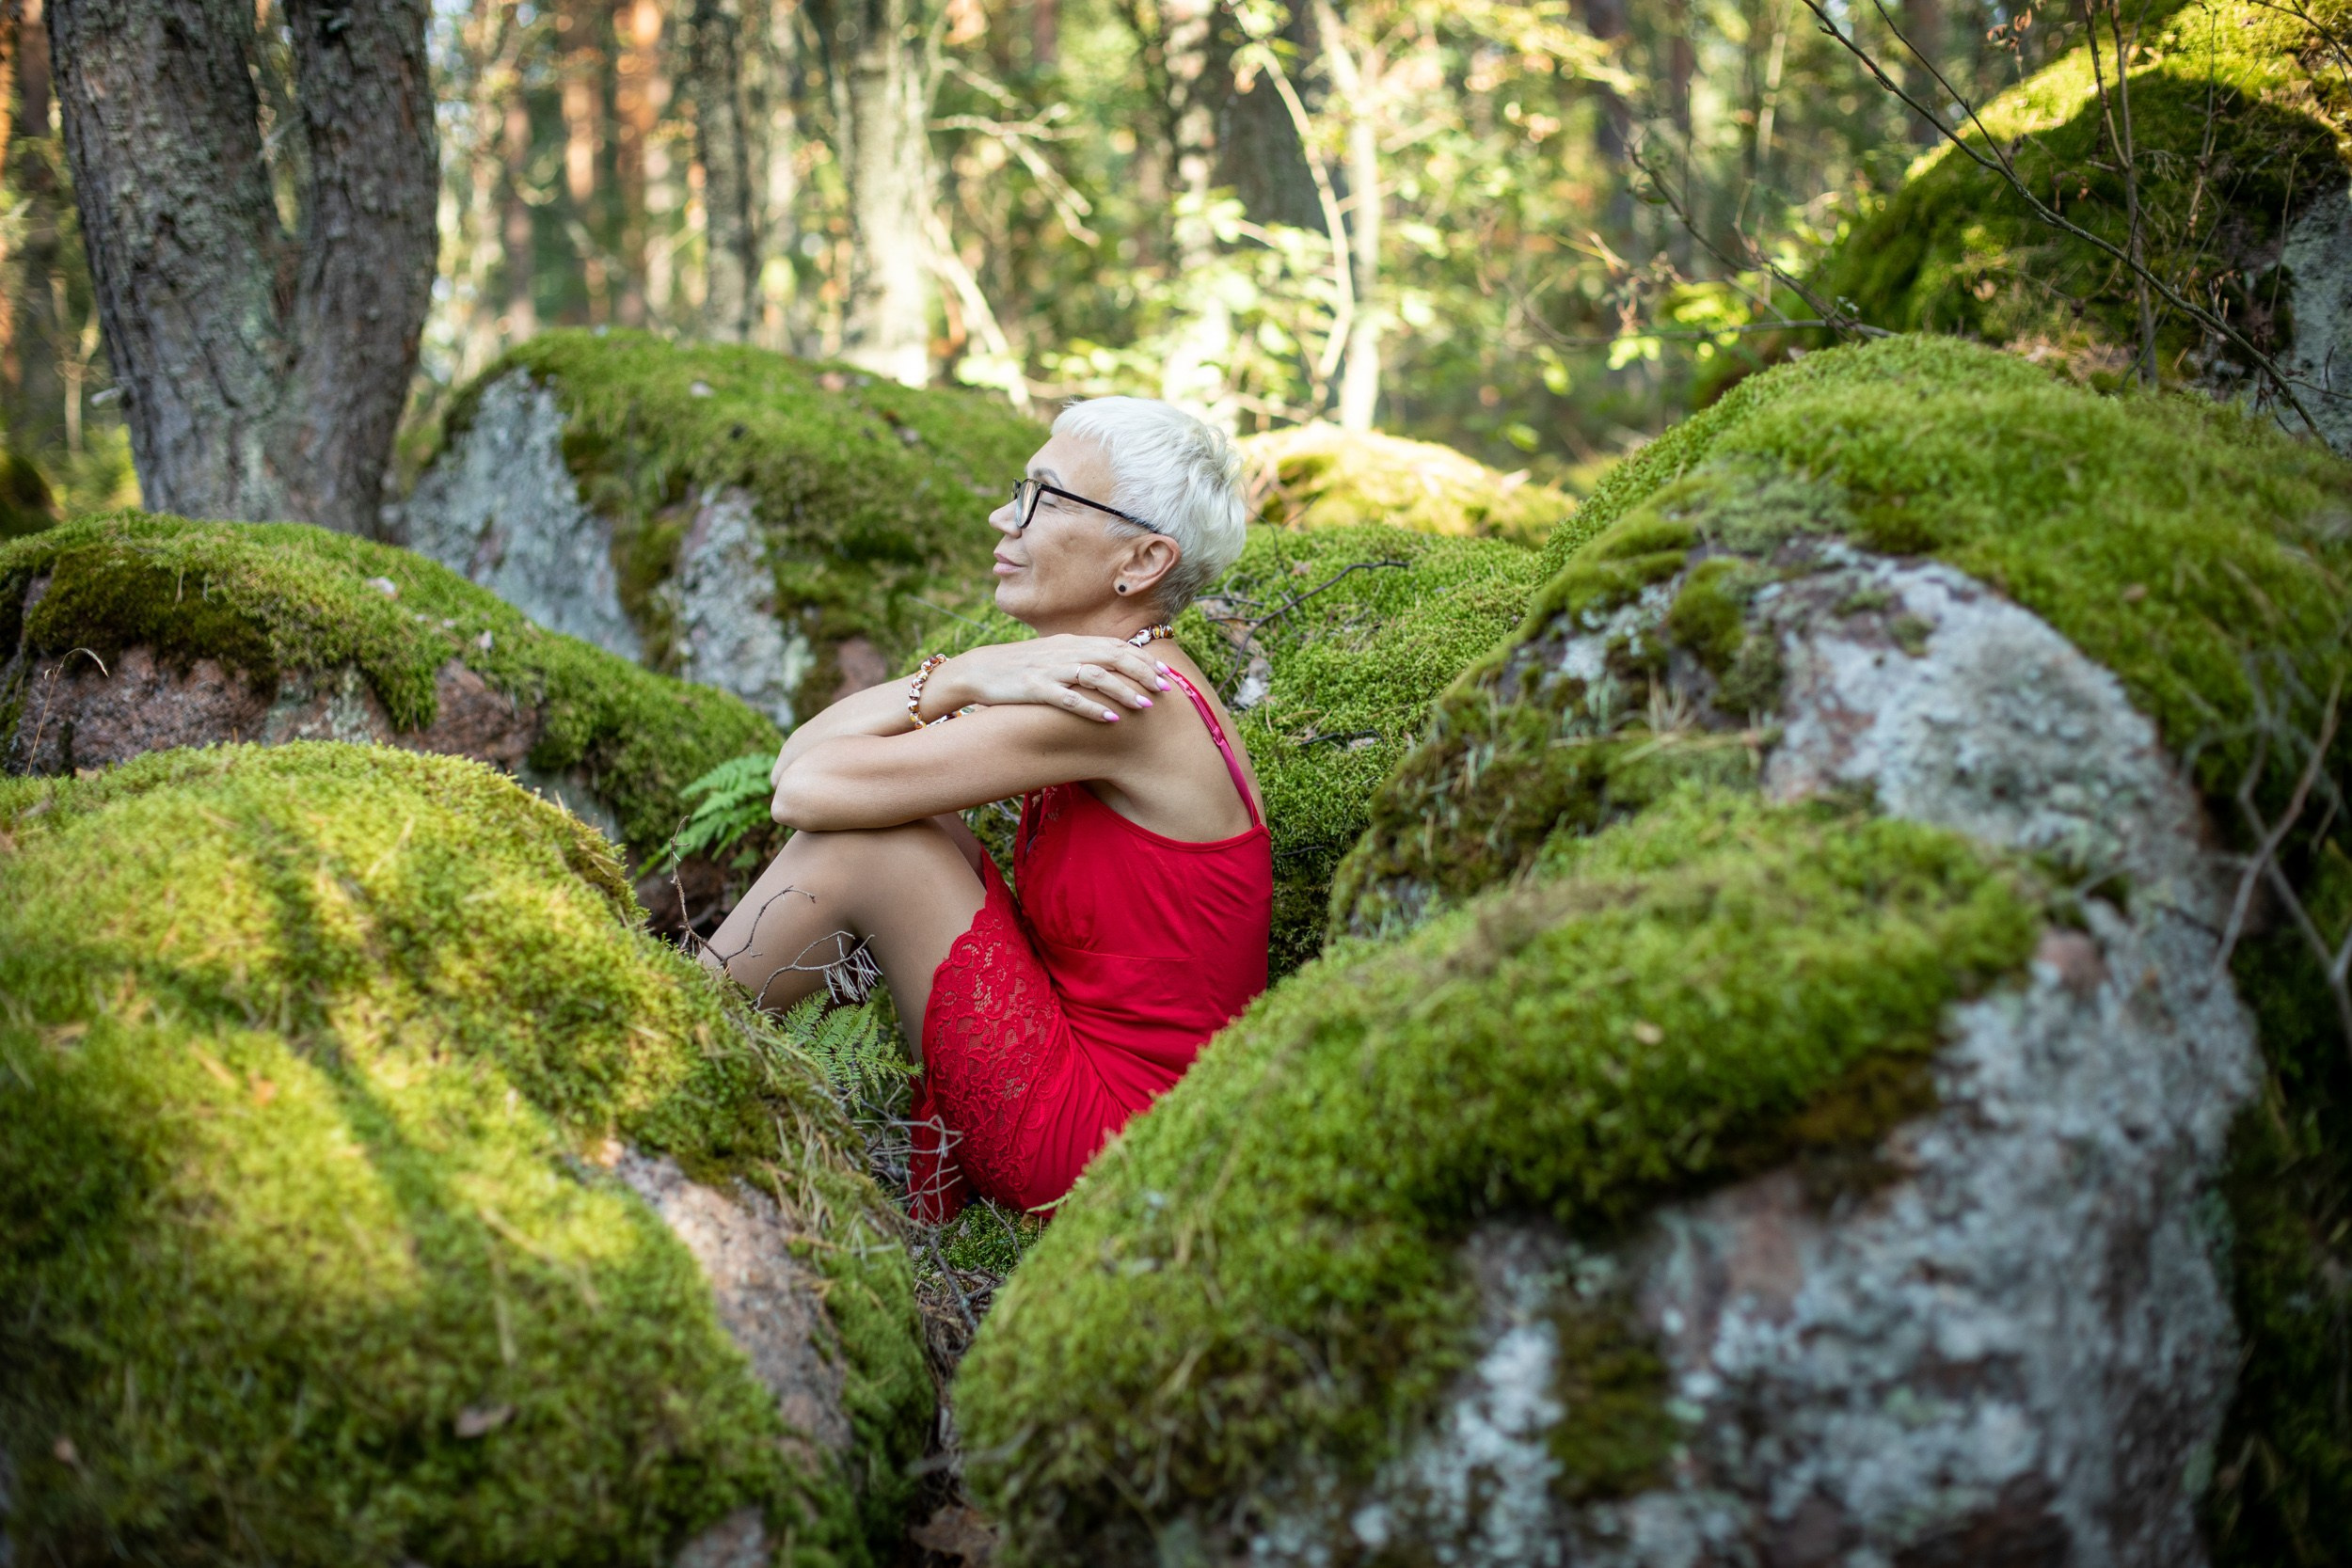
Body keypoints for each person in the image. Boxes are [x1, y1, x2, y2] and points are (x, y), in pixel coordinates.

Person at [700, 397, 1272, 1223]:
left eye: (1043, 496)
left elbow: (801, 793)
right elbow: (800, 764)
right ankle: (676, 1029)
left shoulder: (1126, 703)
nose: (1005, 515)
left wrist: (969, 677)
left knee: (880, 847)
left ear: (1143, 559)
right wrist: (966, 675)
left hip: (1116, 1148)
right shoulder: (1103, 673)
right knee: (913, 820)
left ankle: (663, 1043)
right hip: (1105, 1089)